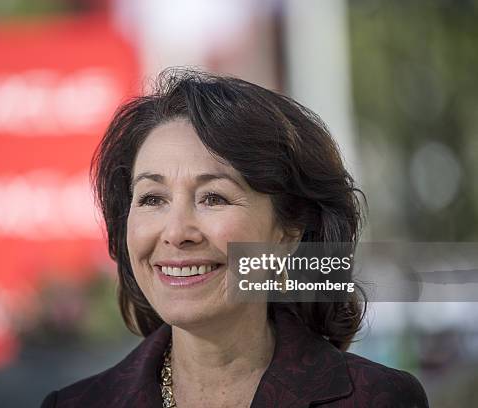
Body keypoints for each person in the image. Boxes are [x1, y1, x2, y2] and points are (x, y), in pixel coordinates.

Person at [41, 69, 429, 407]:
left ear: (289, 231)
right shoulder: (76, 404)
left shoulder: (376, 398)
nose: (176, 232)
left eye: (213, 198)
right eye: (152, 198)